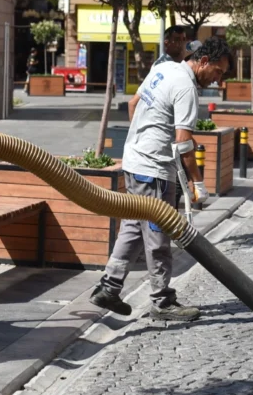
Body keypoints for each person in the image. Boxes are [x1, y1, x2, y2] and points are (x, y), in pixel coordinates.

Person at [91, 37, 231, 322]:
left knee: (132, 226)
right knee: (158, 235)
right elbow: (183, 143)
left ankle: (109, 286)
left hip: (134, 162)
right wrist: (197, 184)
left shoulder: (163, 69)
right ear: (203, 61)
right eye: (218, 71)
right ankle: (162, 301)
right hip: (154, 171)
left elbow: (133, 104)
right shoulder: (187, 88)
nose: (218, 79)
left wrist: (141, 143)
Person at [128, 26, 193, 120]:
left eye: (183, 39)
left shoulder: (179, 66)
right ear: (166, 43)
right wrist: (134, 133)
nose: (181, 43)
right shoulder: (161, 66)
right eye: (177, 39)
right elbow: (133, 103)